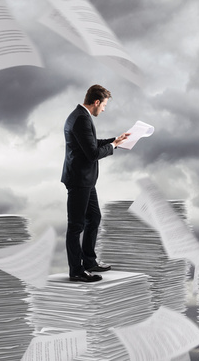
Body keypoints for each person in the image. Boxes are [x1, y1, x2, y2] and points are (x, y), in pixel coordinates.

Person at [61, 84, 130, 282]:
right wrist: (113, 146)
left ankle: (89, 261)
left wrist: (115, 140)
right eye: (104, 105)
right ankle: (76, 271)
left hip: (86, 180)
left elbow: (90, 142)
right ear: (96, 102)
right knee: (75, 226)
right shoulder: (81, 119)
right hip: (79, 180)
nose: (104, 109)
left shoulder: (80, 116)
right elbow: (92, 154)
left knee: (94, 218)